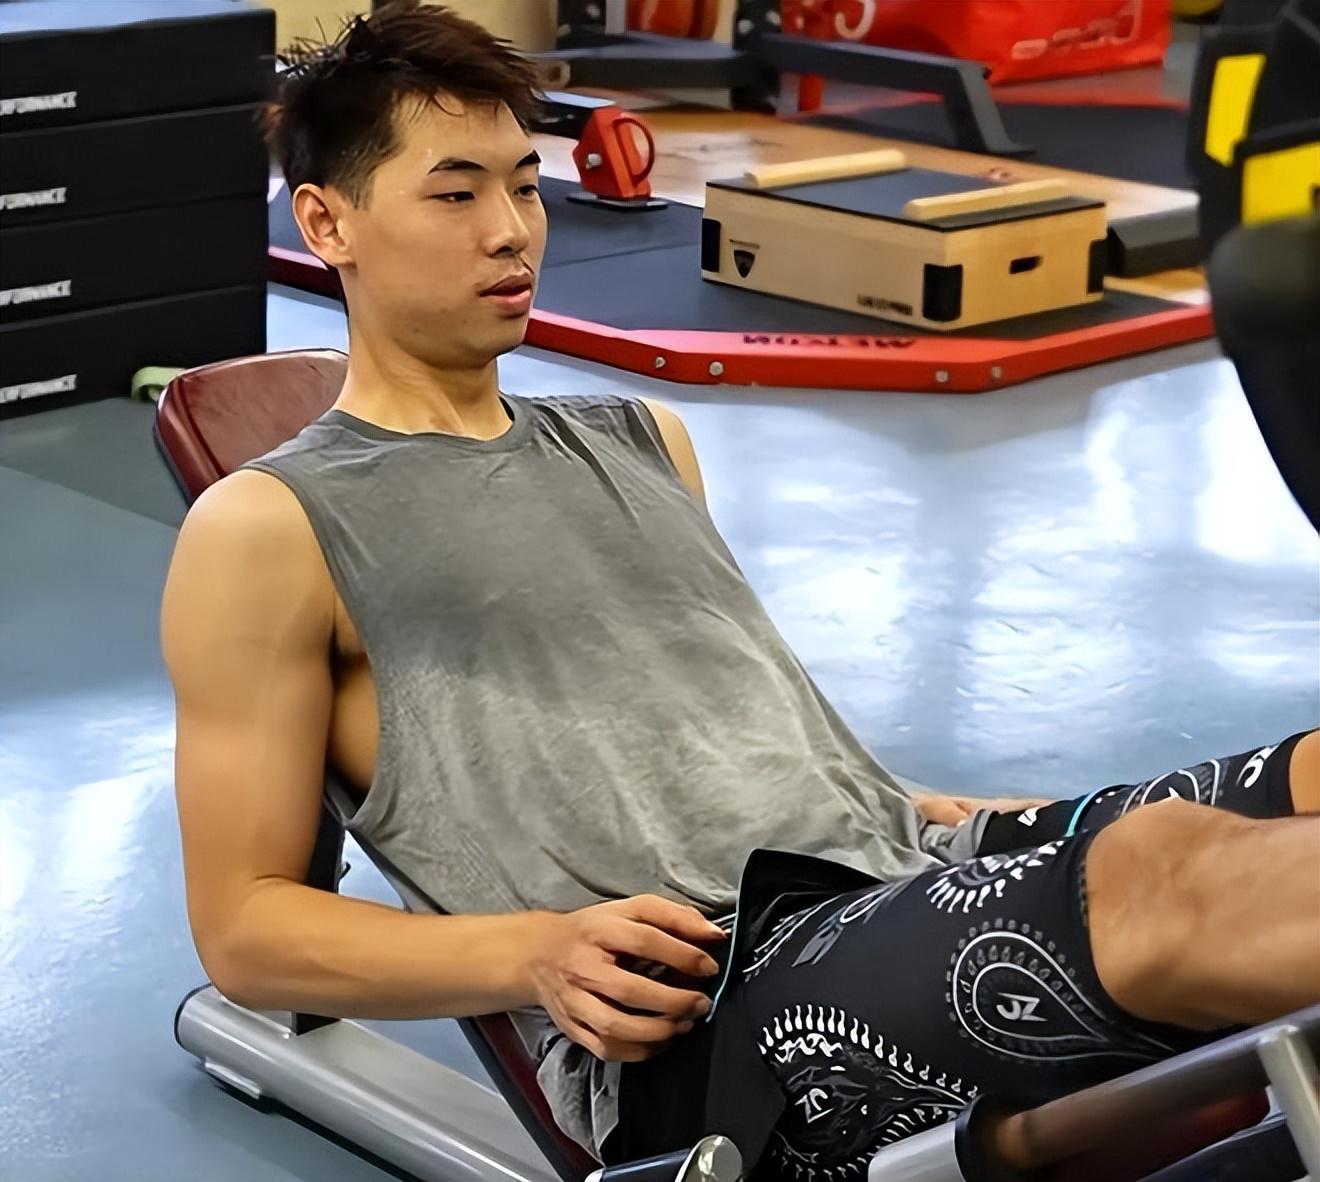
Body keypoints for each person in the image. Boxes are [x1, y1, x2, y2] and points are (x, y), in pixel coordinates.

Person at [161, 2, 1320, 1177]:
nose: (511, 231)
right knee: (1163, 872)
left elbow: (719, 737)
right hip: (721, 1008)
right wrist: (533, 954)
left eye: (525, 186)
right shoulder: (270, 525)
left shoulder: (643, 438)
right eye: (455, 195)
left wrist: (929, 812)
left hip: (903, 873)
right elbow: (243, 924)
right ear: (328, 221)